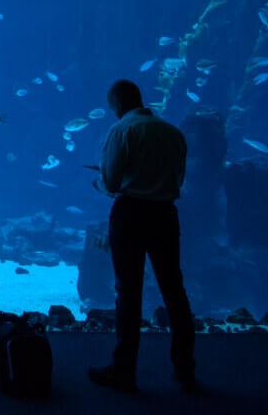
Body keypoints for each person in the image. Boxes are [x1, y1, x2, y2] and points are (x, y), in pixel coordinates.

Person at [88, 79, 197, 393]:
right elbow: (179, 178)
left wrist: (100, 184)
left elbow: (110, 180)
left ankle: (124, 369)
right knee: (174, 290)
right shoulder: (173, 133)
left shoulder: (122, 130)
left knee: (128, 291)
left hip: (131, 214)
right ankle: (185, 368)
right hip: (165, 214)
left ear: (118, 104)